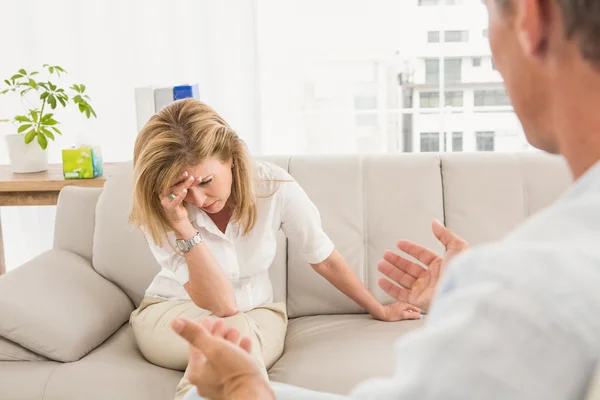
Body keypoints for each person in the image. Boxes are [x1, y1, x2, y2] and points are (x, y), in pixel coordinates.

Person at [172, 0, 600, 398]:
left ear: (533, 19)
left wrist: (242, 388)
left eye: (488, 15)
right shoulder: (555, 269)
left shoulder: (536, 285)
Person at [128, 98, 422, 399]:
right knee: (230, 333)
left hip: (258, 314)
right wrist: (183, 227)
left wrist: (380, 308)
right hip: (170, 313)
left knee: (235, 334)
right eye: (183, 189)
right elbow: (222, 305)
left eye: (205, 181)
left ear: (230, 156)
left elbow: (324, 258)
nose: (199, 199)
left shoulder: (275, 187)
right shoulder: (165, 210)